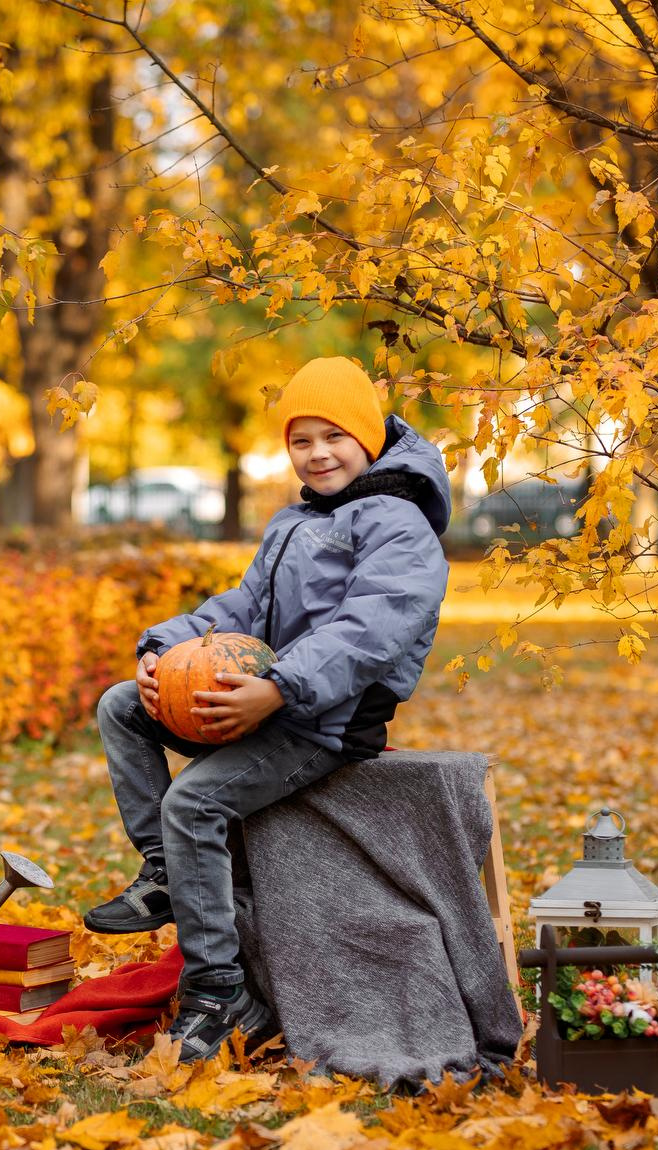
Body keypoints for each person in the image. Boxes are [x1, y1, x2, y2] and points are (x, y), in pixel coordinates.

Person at [81, 357, 452, 1062]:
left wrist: (277, 688)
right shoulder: (294, 523)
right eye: (300, 440)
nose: (316, 453)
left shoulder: (399, 525)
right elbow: (240, 609)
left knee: (193, 802)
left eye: (333, 435)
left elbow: (369, 632)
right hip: (269, 700)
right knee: (124, 705)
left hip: (325, 720)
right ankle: (164, 870)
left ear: (369, 438)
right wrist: (163, 649)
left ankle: (220, 993)